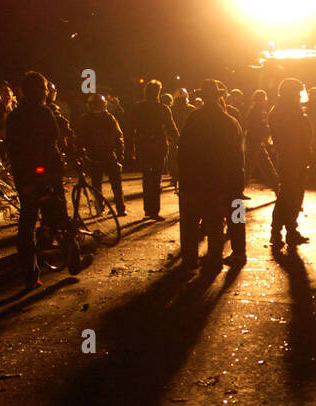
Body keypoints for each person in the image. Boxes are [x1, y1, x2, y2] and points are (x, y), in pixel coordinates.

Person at [5, 70, 70, 288]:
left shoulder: (14, 116)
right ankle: (72, 259)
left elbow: (12, 149)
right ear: (40, 90)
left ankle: (31, 275)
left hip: (25, 174)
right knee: (60, 213)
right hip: (48, 172)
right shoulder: (44, 113)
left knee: (27, 220)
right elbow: (53, 140)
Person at [177, 79, 246, 271]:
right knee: (220, 219)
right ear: (219, 98)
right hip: (223, 179)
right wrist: (238, 182)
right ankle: (217, 258)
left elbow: (182, 152)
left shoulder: (193, 120)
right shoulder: (231, 122)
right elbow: (238, 156)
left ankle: (190, 259)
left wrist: (182, 179)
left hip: (196, 180)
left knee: (191, 222)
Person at [267, 77, 312, 250]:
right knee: (287, 197)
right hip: (290, 158)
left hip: (296, 157)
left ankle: (289, 231)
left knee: (293, 196)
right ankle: (278, 232)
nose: (300, 97)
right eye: (297, 93)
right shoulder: (285, 111)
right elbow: (294, 136)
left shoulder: (286, 110)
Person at [128, 80, 178, 219]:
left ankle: (147, 209)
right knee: (156, 179)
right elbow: (171, 127)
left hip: (143, 146)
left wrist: (130, 147)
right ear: (158, 92)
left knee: (146, 177)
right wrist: (177, 140)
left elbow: (131, 128)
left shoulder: (137, 108)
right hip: (159, 147)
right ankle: (154, 211)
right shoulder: (163, 109)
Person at [76, 94, 127, 216]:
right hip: (102, 155)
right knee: (112, 184)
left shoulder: (96, 119)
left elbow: (79, 139)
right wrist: (120, 155)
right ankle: (117, 208)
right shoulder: (107, 118)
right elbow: (119, 138)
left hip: (100, 155)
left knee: (100, 184)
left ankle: (103, 208)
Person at [243, 89, 278, 190]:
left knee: (260, 166)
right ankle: (277, 188)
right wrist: (267, 131)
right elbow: (257, 127)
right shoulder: (256, 111)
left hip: (255, 142)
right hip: (254, 142)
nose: (266, 101)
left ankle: (277, 188)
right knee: (256, 167)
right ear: (260, 99)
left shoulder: (255, 110)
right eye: (264, 98)